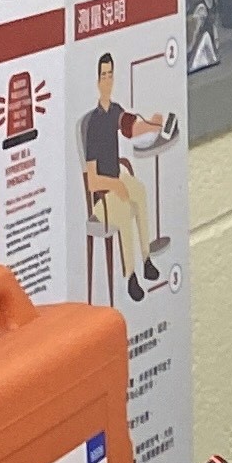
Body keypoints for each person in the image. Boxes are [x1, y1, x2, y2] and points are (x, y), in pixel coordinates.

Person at [78, 55, 173, 302]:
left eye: (111, 75)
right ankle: (131, 275)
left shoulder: (116, 111)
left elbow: (132, 127)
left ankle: (146, 259)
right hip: (102, 193)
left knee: (139, 192)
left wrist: (153, 125)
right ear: (97, 81)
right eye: (103, 76)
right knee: (124, 209)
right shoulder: (94, 125)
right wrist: (114, 185)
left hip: (118, 177)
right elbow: (92, 181)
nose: (108, 81)